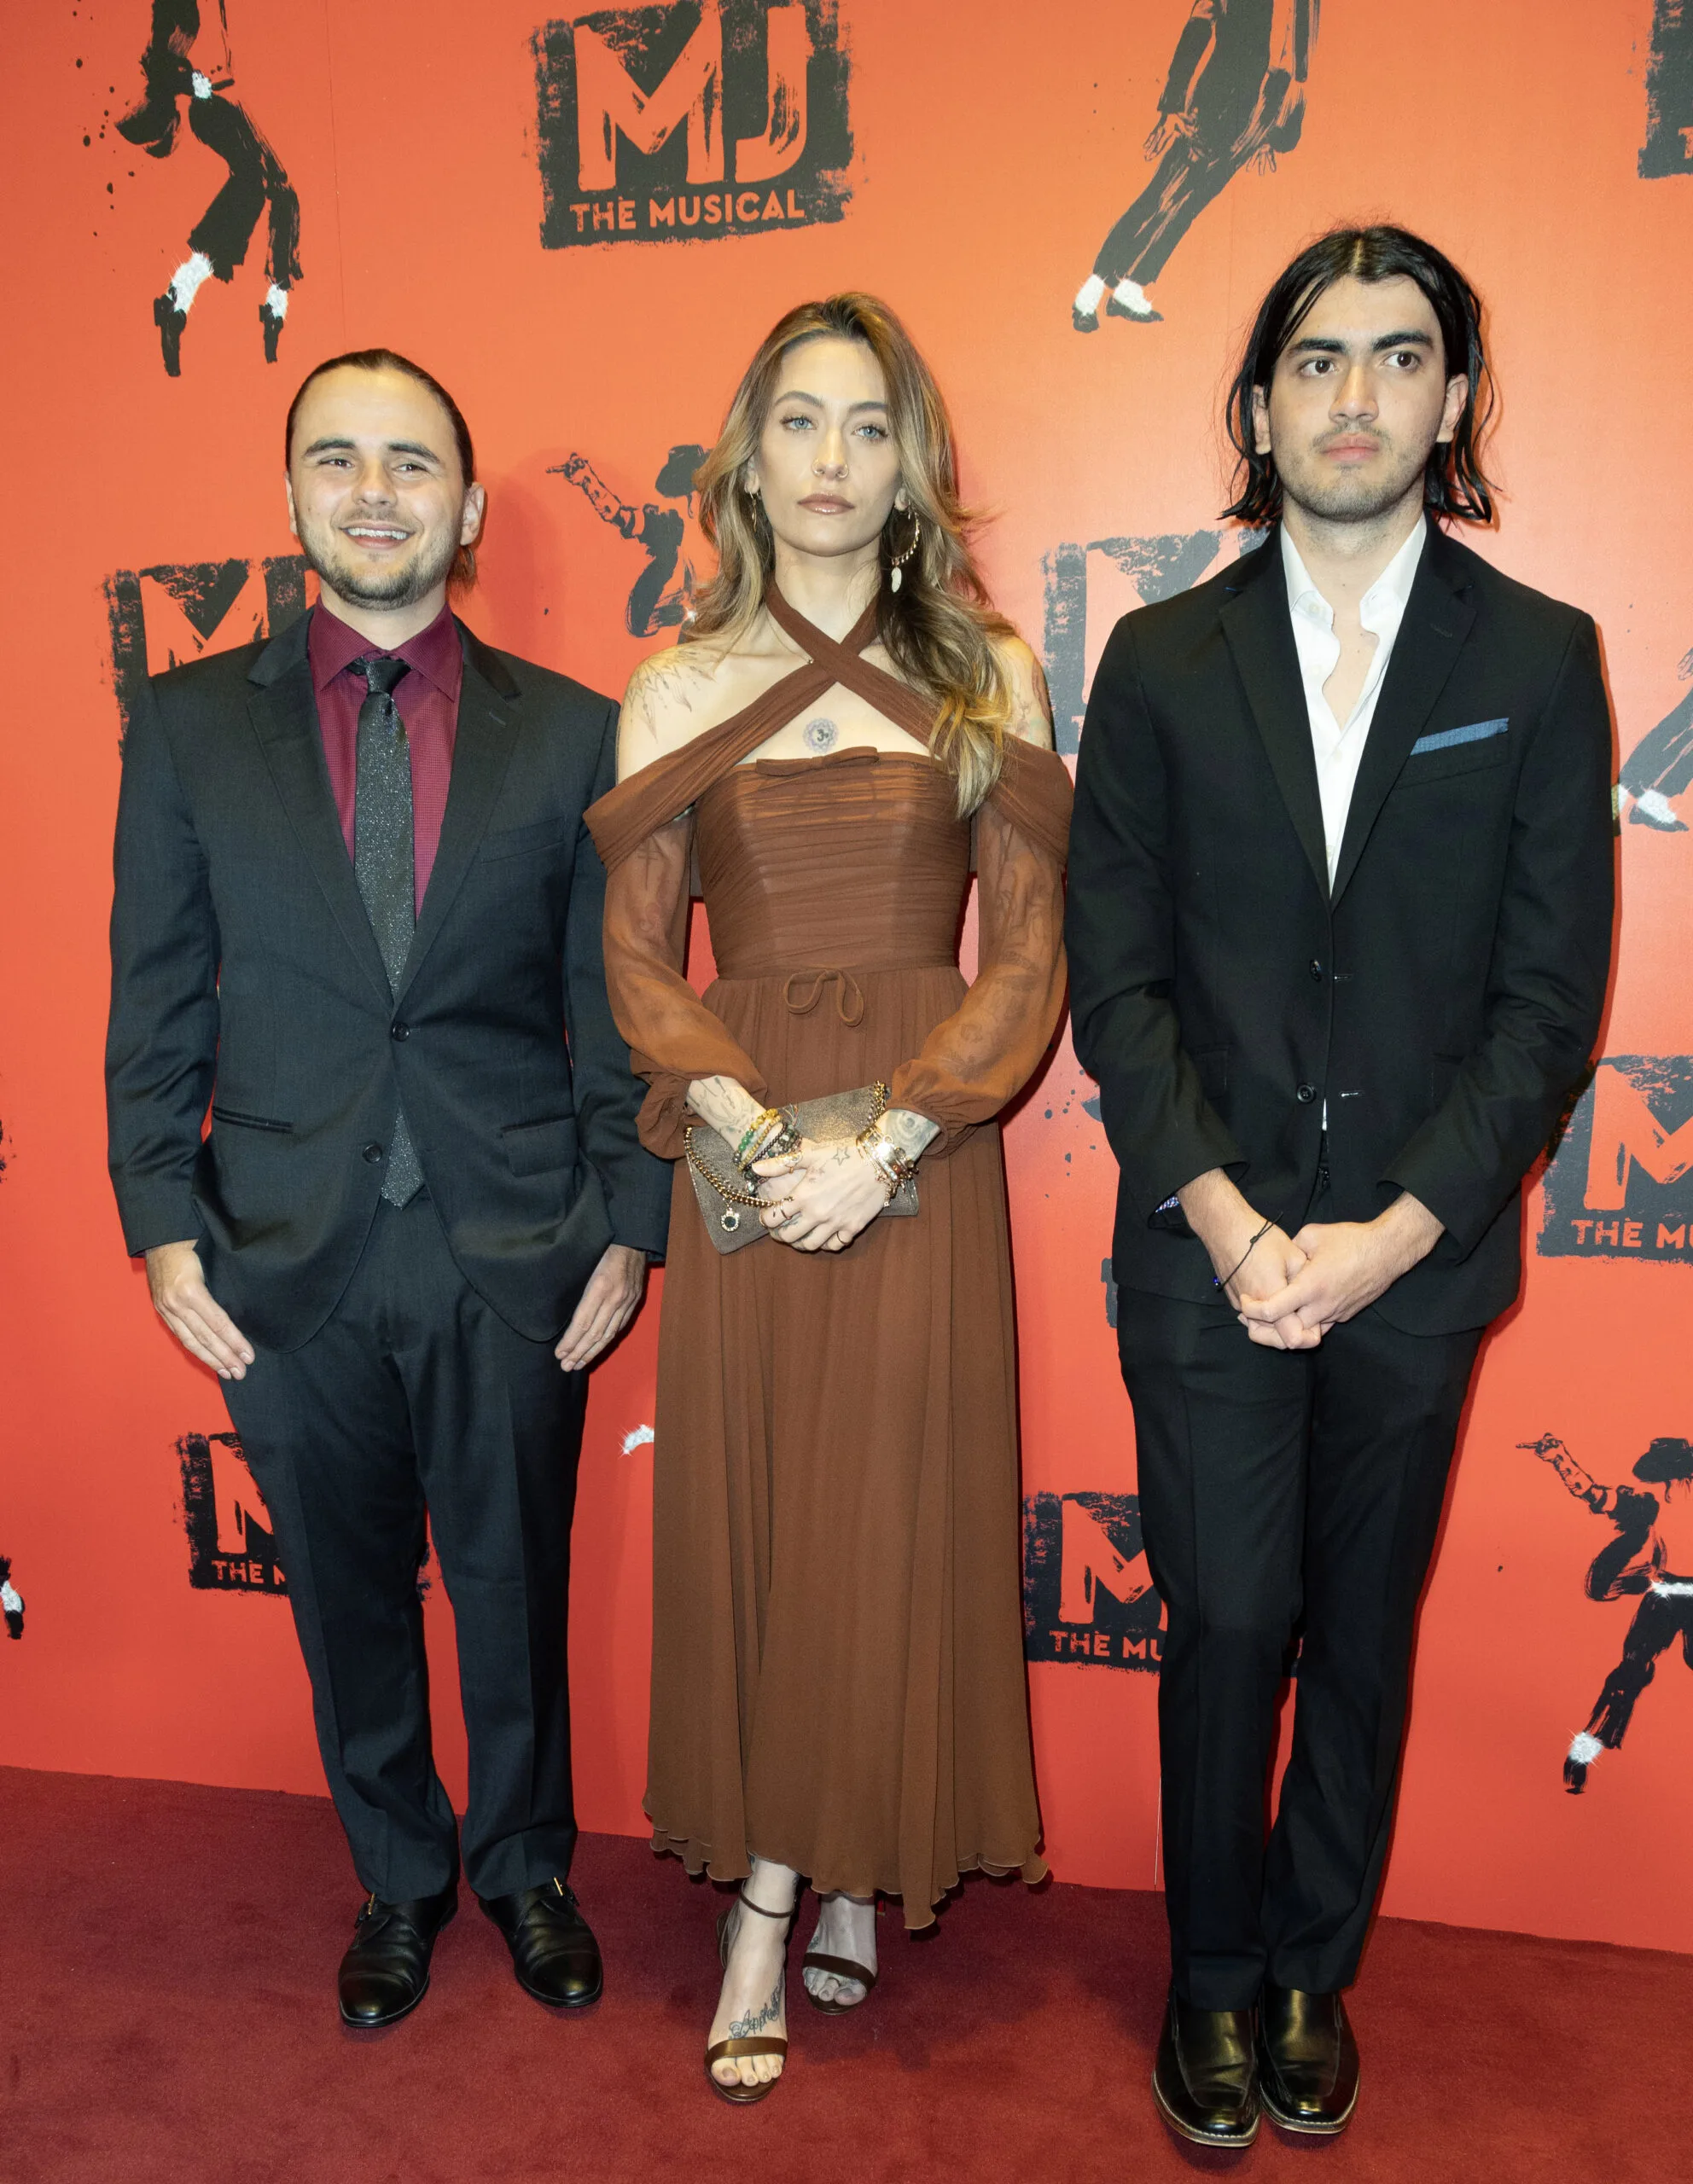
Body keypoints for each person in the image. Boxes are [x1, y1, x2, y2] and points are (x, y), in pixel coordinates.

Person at [1067, 226, 1614, 2146]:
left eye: (1395, 358)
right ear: (1256, 402)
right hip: (1204, 1252)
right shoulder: (1152, 657)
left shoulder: (1535, 658)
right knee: (1222, 1621)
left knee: (1356, 1627)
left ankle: (1310, 1967)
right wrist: (1226, 1222)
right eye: (1312, 360)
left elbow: (1549, 1006)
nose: (1352, 394)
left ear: (1450, 398)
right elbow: (1112, 982)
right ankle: (1207, 1979)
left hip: (1415, 1256)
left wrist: (1387, 1234)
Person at [106, 349, 671, 2028]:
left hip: (510, 1238)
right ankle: (401, 1876)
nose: (375, 489)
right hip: (283, 1249)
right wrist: (156, 1216)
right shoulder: (190, 724)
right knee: (349, 1598)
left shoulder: (574, 734)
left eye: (411, 462)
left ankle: (524, 1867)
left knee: (513, 1582)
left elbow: (617, 1014)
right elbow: (156, 996)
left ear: (469, 506)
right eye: (338, 459)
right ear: (291, 498)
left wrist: (629, 1225)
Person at [585, 293, 1070, 2103]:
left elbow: (1021, 961)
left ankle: (810, 1878)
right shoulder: (675, 682)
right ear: (746, 451)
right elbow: (639, 965)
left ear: (911, 464)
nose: (833, 460)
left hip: (914, 1157)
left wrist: (885, 1142)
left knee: (887, 1508)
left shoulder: (988, 675)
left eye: (870, 426)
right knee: (776, 1509)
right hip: (745, 1156)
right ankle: (788, 1888)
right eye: (800, 421)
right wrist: (751, 1126)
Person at [1072, 0, 1316, 334]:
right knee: (1161, 196)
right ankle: (1091, 292)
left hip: (1261, 116)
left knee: (1190, 206)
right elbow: (1198, 26)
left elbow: (1301, 60)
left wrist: (1278, 132)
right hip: (1215, 103)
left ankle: (1132, 287)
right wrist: (1173, 103)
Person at [118, 1, 301, 375]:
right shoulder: (181, 9)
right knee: (270, 185)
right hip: (213, 106)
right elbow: (157, 61)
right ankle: (271, 302)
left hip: (236, 102)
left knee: (264, 189)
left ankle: (182, 299)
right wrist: (192, 83)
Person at [1523, 1433, 1693, 1791]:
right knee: (1630, 1670)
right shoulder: (1650, 1503)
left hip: (1673, 1591)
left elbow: (1598, 1496)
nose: (1673, 1486)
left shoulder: (1660, 1499)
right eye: (1669, 1478)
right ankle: (1585, 1752)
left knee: (1634, 1670)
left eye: (1678, 1477)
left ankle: (1584, 1753)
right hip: (1665, 1592)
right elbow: (1598, 1495)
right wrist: (1560, 1459)